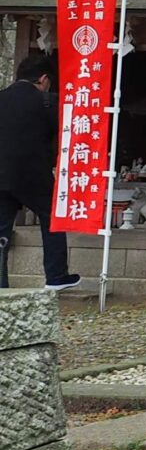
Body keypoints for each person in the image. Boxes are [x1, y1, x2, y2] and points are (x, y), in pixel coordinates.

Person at [0, 49, 79, 290]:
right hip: (34, 174)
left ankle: (1, 285)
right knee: (51, 217)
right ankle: (56, 276)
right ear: (44, 79)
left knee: (1, 229)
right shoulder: (47, 102)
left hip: (0, 174)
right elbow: (65, 136)